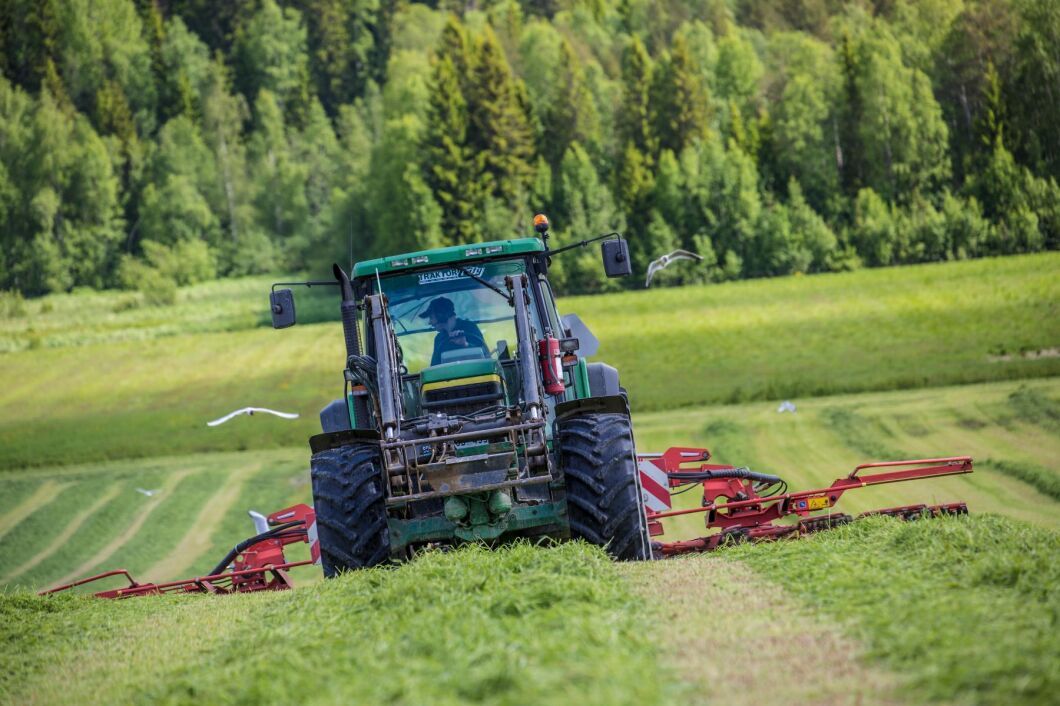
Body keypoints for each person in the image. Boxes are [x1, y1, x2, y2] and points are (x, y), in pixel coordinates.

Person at [420, 296, 487, 366]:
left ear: (441, 315)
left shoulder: (470, 327)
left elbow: (484, 356)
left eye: (431, 317)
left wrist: (465, 344)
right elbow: (434, 366)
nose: (429, 322)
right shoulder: (438, 338)